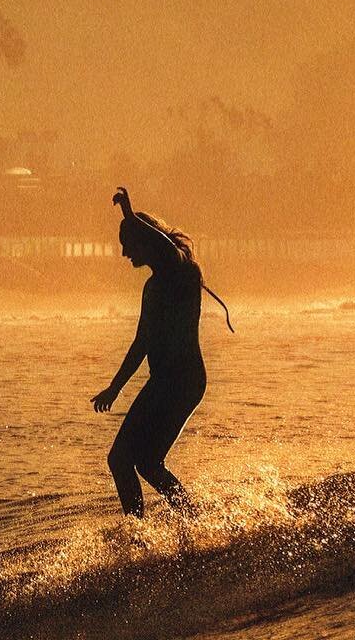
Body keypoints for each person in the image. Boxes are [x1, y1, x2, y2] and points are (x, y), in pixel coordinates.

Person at [91, 186, 232, 517]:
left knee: (124, 458)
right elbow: (142, 341)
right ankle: (184, 523)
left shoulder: (179, 273)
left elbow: (166, 250)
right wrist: (115, 388)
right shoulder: (153, 287)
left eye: (128, 244)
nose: (125, 253)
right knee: (144, 462)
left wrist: (129, 215)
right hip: (165, 382)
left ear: (146, 240)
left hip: (182, 382)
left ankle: (144, 533)